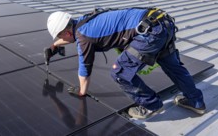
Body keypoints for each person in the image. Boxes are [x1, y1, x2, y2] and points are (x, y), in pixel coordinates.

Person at [45, 7, 206, 119]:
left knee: (119, 72)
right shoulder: (83, 21)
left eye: (61, 37)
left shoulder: (83, 37)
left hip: (148, 34)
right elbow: (72, 36)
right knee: (174, 67)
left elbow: (85, 68)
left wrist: (81, 92)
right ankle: (196, 102)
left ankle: (151, 105)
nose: (63, 40)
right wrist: (54, 46)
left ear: (66, 31)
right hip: (161, 23)